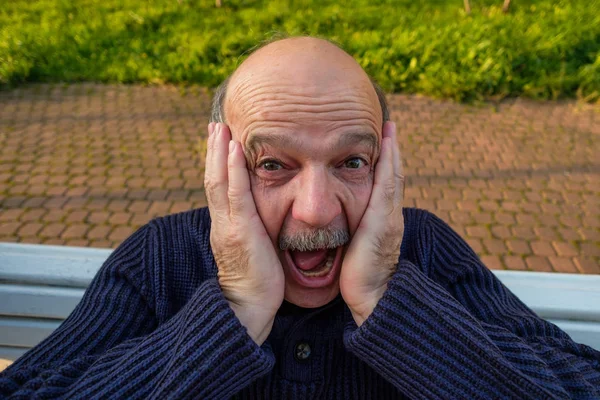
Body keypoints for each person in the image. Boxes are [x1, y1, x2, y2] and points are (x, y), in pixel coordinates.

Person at [1, 36, 599, 400]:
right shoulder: (159, 259)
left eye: (352, 160)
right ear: (221, 167)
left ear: (385, 163)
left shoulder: (424, 251)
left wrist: (387, 302)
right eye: (273, 165)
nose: (316, 209)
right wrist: (235, 311)